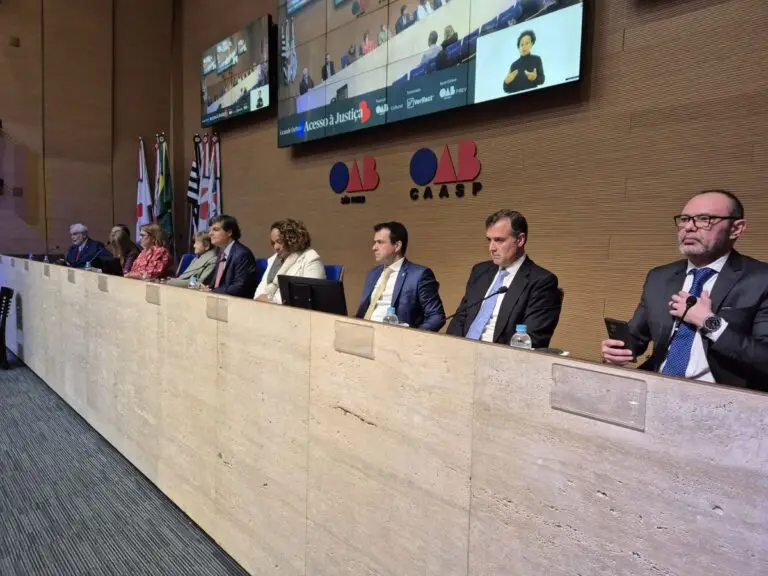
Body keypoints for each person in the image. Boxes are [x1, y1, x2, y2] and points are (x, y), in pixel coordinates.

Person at [601, 190, 768, 391]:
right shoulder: (659, 277)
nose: (689, 227)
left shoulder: (761, 279)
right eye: (685, 219)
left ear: (736, 229)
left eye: (705, 219)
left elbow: (764, 358)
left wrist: (709, 323)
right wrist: (615, 352)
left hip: (724, 397)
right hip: (657, 387)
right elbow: (636, 338)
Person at [447, 210, 562, 348]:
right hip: (462, 352)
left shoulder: (542, 281)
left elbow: (532, 339)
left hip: (500, 356)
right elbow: (460, 317)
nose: (491, 248)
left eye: (499, 240)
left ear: (520, 240)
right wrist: (454, 348)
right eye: (489, 240)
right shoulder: (480, 271)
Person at [356, 222, 445, 331]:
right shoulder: (373, 274)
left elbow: (436, 316)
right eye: (374, 242)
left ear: (397, 246)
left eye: (380, 242)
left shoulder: (419, 275)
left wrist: (411, 336)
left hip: (394, 336)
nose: (374, 247)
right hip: (364, 332)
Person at [254, 218, 325, 304]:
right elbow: (261, 289)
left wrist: (271, 300)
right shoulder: (274, 259)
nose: (276, 247)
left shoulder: (311, 258)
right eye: (273, 243)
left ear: (293, 239)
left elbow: (308, 296)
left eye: (279, 241)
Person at [202, 214, 258, 298]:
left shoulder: (242, 254)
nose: (210, 234)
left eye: (215, 230)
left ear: (229, 232)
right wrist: (205, 287)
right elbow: (216, 281)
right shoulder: (221, 252)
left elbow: (239, 286)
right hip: (220, 297)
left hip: (237, 301)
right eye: (210, 230)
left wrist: (212, 292)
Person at [503, 30, 545, 94]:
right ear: (519, 47)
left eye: (527, 43)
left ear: (532, 44)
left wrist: (535, 78)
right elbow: (508, 89)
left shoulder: (536, 59)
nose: (524, 47)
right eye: (521, 44)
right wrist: (506, 82)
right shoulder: (514, 65)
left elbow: (542, 80)